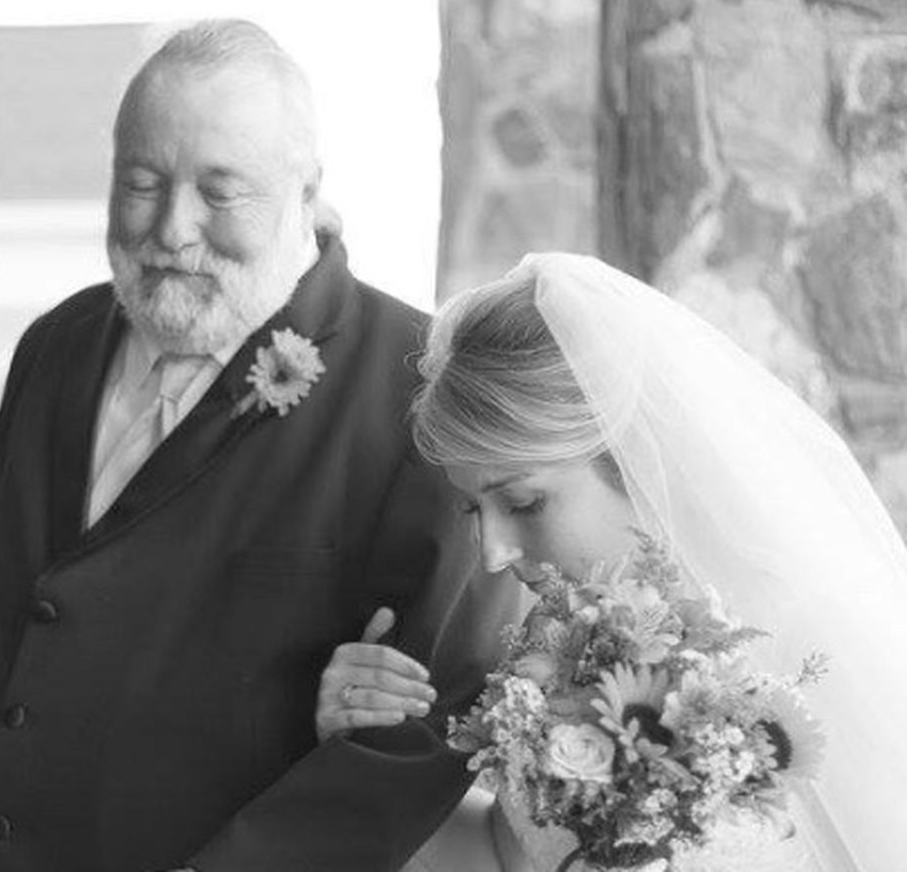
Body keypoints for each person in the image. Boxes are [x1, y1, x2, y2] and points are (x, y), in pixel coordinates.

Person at [0, 19, 494, 872]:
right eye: (141, 183)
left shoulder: (417, 388)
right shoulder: (52, 349)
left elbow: (431, 731)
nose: (172, 230)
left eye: (220, 194)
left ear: (306, 191)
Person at [317, 252, 907, 871]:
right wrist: (362, 750)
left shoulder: (823, 646)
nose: (493, 554)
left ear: (629, 459)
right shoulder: (556, 653)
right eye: (473, 510)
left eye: (524, 503)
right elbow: (505, 857)